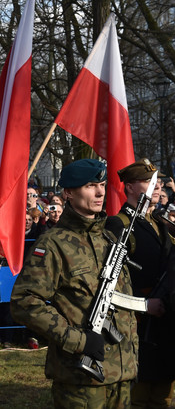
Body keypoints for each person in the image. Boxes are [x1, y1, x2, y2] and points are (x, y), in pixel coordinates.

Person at [10, 159, 138, 408]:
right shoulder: (54, 244)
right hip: (81, 381)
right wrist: (78, 340)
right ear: (68, 193)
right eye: (91, 185)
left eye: (102, 184)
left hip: (122, 374)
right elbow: (24, 302)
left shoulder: (109, 238)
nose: (100, 192)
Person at [105, 158, 175, 408]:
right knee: (138, 396)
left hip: (164, 321)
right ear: (130, 187)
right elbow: (109, 285)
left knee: (164, 394)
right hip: (136, 324)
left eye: (158, 181)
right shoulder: (118, 224)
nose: (158, 186)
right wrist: (143, 305)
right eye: (149, 181)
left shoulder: (159, 223)